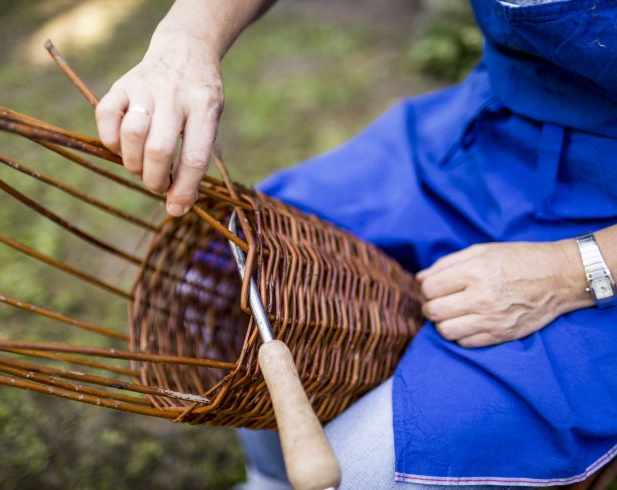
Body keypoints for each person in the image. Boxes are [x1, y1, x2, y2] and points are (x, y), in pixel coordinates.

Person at [95, 0, 617, 488]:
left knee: (364, 464)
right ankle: (271, 474)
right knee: (220, 277)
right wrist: (186, 39)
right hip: (491, 131)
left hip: (603, 217)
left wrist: (575, 270)